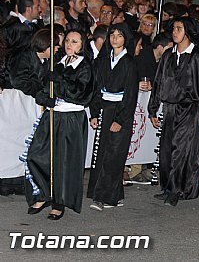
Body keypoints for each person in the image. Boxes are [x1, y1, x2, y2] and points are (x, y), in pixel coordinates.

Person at [26, 30, 94, 220]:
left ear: (82, 45)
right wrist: (43, 96)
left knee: (64, 161)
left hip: (70, 118)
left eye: (74, 41)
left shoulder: (85, 66)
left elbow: (82, 93)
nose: (69, 44)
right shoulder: (58, 62)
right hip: (52, 116)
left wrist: (60, 82)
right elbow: (42, 86)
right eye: (67, 41)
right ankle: (44, 192)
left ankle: (59, 202)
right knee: (37, 153)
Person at [148, 18, 199, 206]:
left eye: (179, 29)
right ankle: (168, 187)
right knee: (166, 150)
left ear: (188, 32)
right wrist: (153, 109)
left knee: (181, 151)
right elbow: (158, 82)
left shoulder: (198, 58)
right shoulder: (168, 55)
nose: (175, 32)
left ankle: (177, 189)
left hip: (189, 109)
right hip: (169, 109)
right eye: (174, 29)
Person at [87, 24, 138, 211]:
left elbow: (131, 95)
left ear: (126, 39)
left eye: (119, 35)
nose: (115, 38)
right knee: (101, 153)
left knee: (114, 154)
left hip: (120, 111)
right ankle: (112, 195)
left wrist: (120, 120)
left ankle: (103, 197)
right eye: (112, 35)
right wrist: (94, 112)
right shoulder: (102, 61)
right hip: (104, 109)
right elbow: (96, 87)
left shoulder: (130, 63)